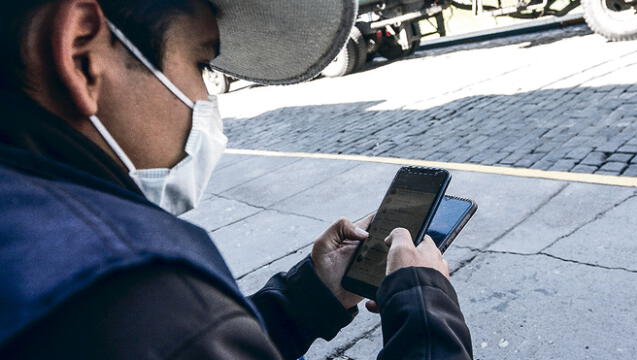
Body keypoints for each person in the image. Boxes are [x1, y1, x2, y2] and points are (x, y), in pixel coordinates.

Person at [0, 0, 473, 359]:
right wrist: (425, 306)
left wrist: (310, 295)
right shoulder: (130, 292)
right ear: (82, 56)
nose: (207, 100)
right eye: (202, 64)